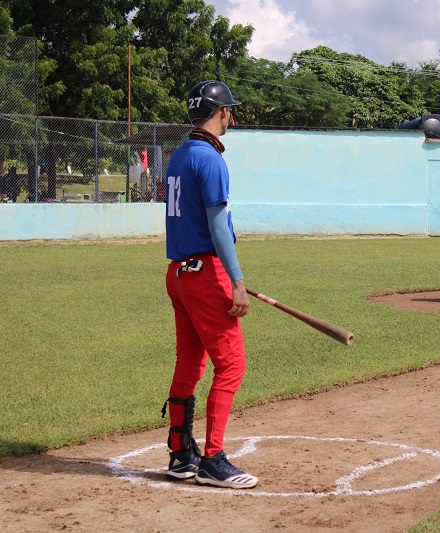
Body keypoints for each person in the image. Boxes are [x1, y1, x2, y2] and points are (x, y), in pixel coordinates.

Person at [162, 80, 259, 489]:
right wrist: (237, 280)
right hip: (206, 271)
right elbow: (219, 227)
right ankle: (213, 460)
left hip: (178, 274)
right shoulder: (211, 159)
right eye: (229, 110)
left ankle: (181, 455)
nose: (231, 116)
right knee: (232, 364)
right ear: (221, 113)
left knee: (190, 362)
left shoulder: (179, 156)